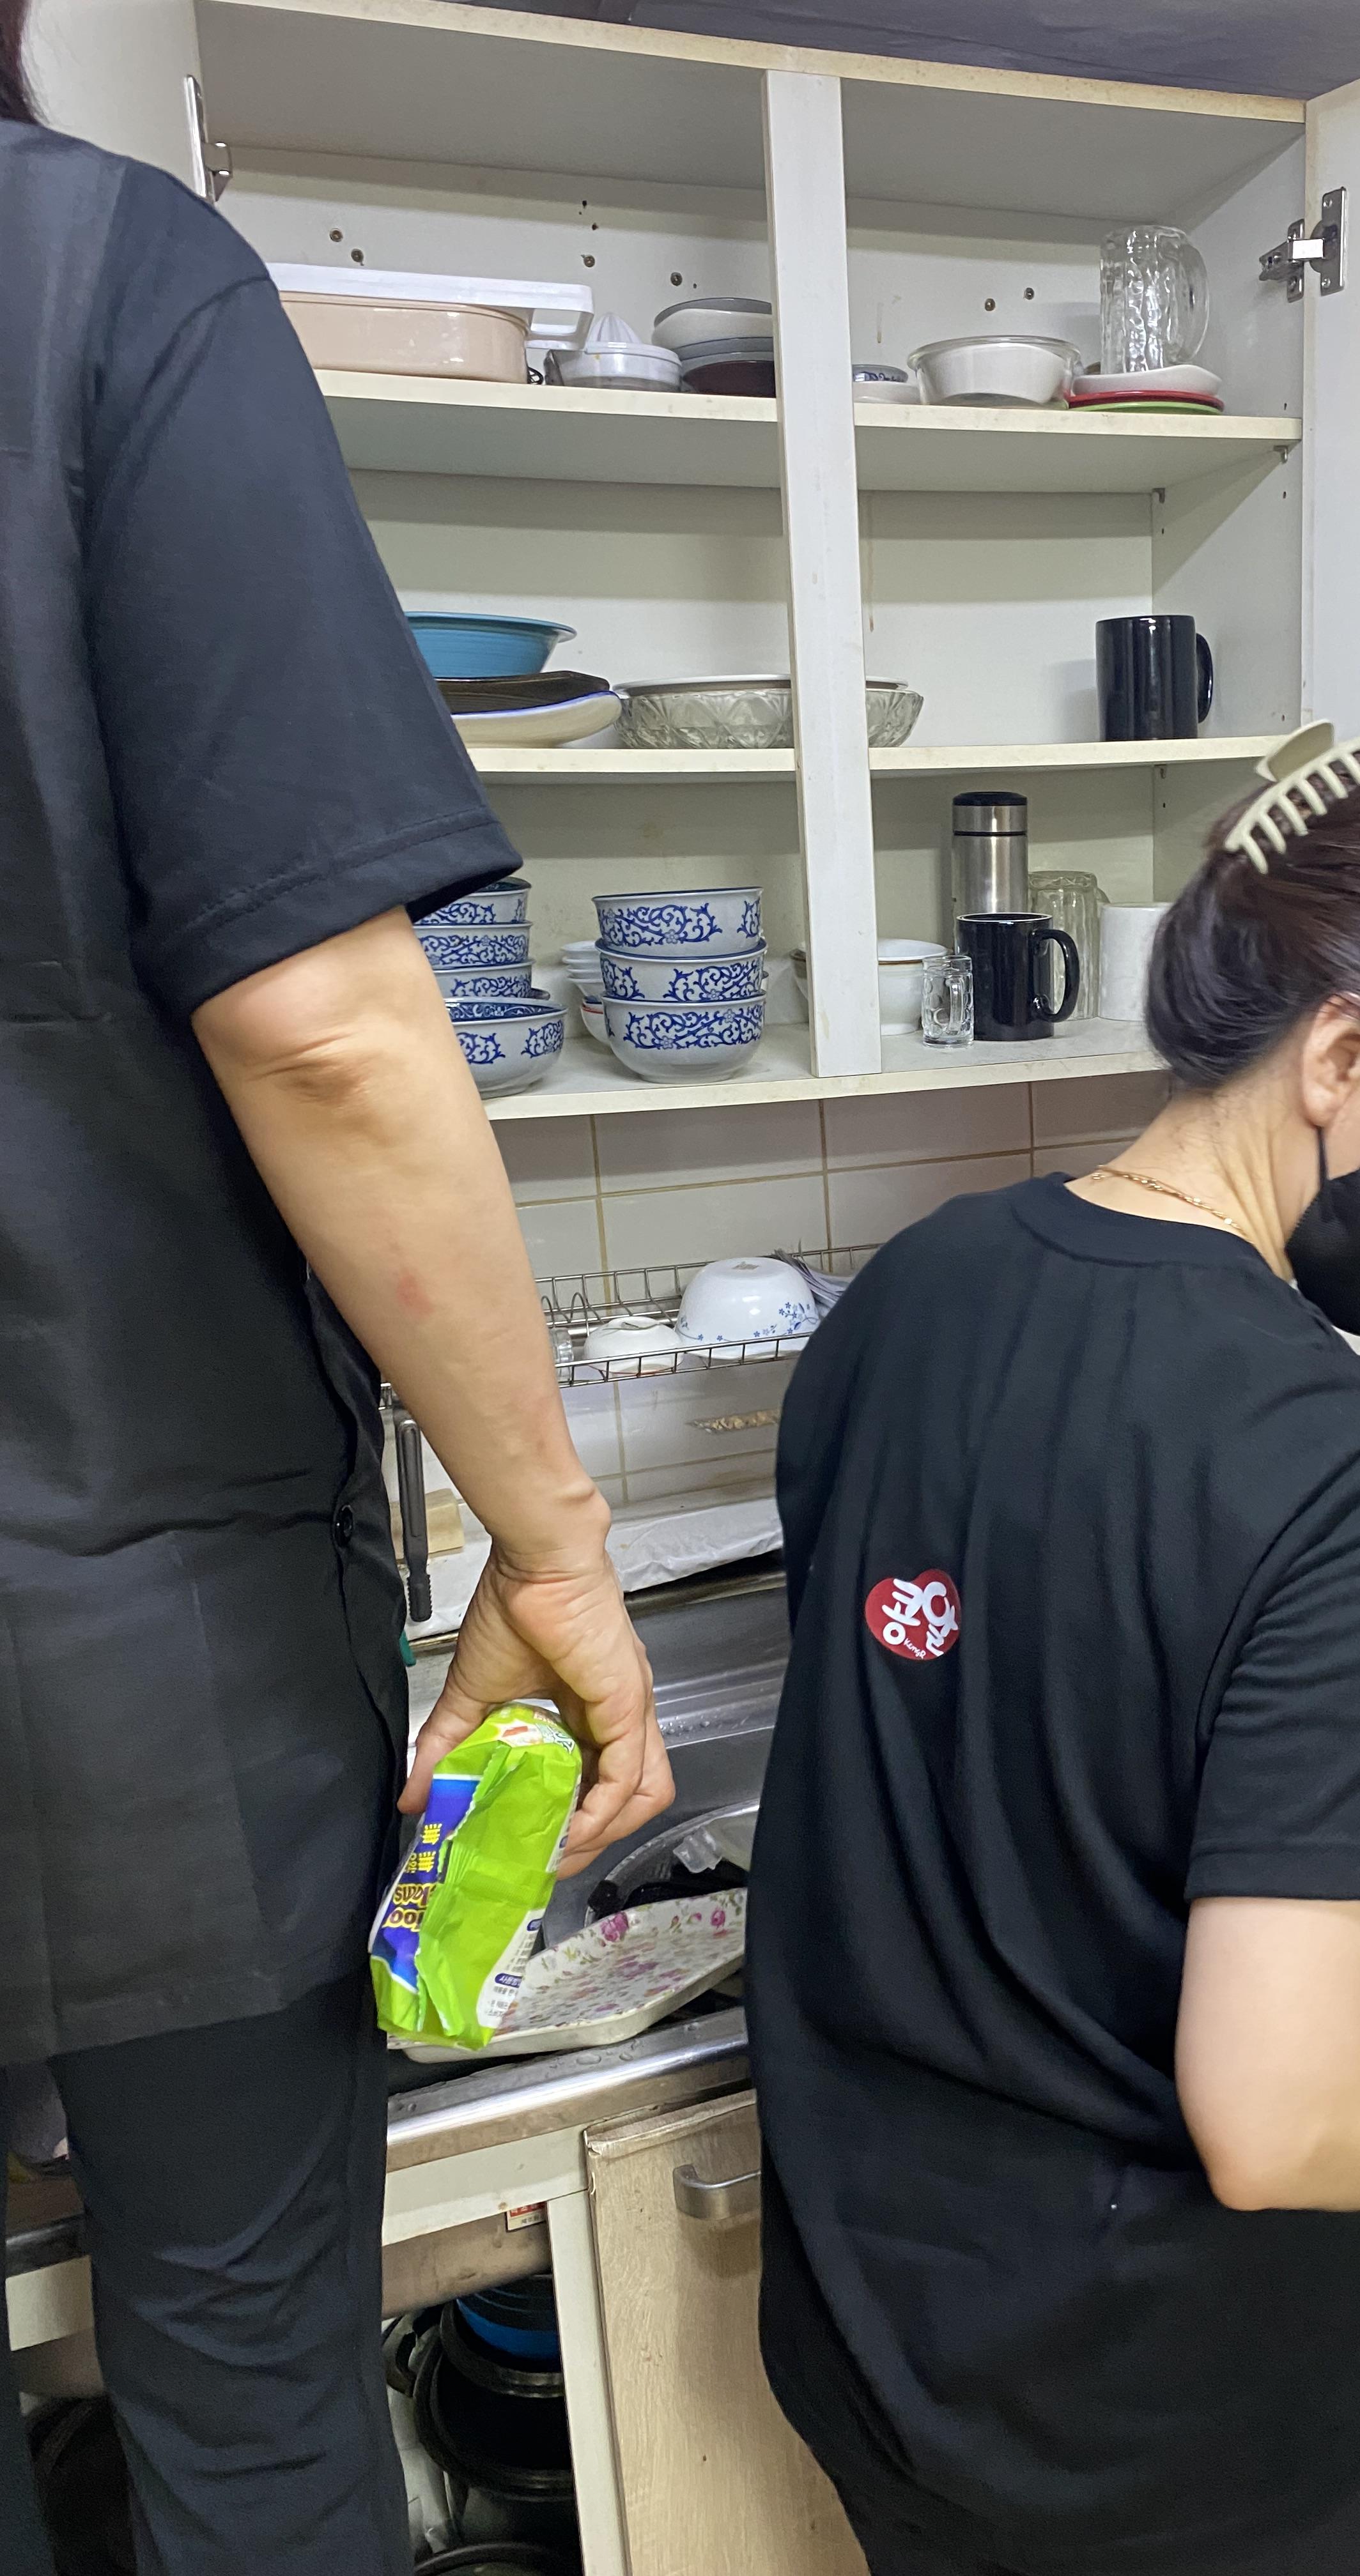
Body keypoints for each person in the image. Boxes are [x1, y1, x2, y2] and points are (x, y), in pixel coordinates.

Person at [0, 23, 672, 2575]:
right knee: (245, 2406)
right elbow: (326, 1024)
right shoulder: (95, 282)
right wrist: (553, 1539)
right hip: (133, 1688)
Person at [747, 712, 1360, 2576]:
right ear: (1343, 1056)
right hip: (1177, 2437)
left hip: (882, 2354)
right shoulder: (1340, 1464)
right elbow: (1280, 2124)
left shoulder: (911, 1291)